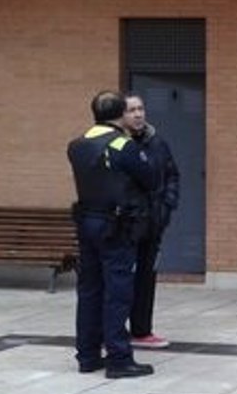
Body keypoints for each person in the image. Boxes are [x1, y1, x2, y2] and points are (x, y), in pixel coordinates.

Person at [66, 90, 158, 378]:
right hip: (116, 227)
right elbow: (151, 177)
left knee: (90, 289)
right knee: (117, 291)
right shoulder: (123, 145)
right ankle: (119, 357)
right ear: (120, 114)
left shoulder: (77, 145)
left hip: (87, 222)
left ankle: (88, 355)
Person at [123, 93, 180, 350]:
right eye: (131, 110)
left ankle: (142, 330)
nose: (138, 114)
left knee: (146, 278)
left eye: (141, 108)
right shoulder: (119, 145)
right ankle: (112, 331)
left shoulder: (158, 143)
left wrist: (167, 207)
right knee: (121, 279)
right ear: (120, 116)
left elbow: (172, 176)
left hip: (153, 223)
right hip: (125, 225)